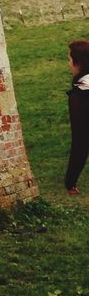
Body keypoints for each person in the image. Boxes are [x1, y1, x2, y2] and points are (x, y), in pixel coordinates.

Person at [65, 39, 89, 194]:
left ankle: (71, 183)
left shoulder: (80, 95)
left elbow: (80, 141)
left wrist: (70, 182)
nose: (69, 64)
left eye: (70, 59)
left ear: (78, 63)